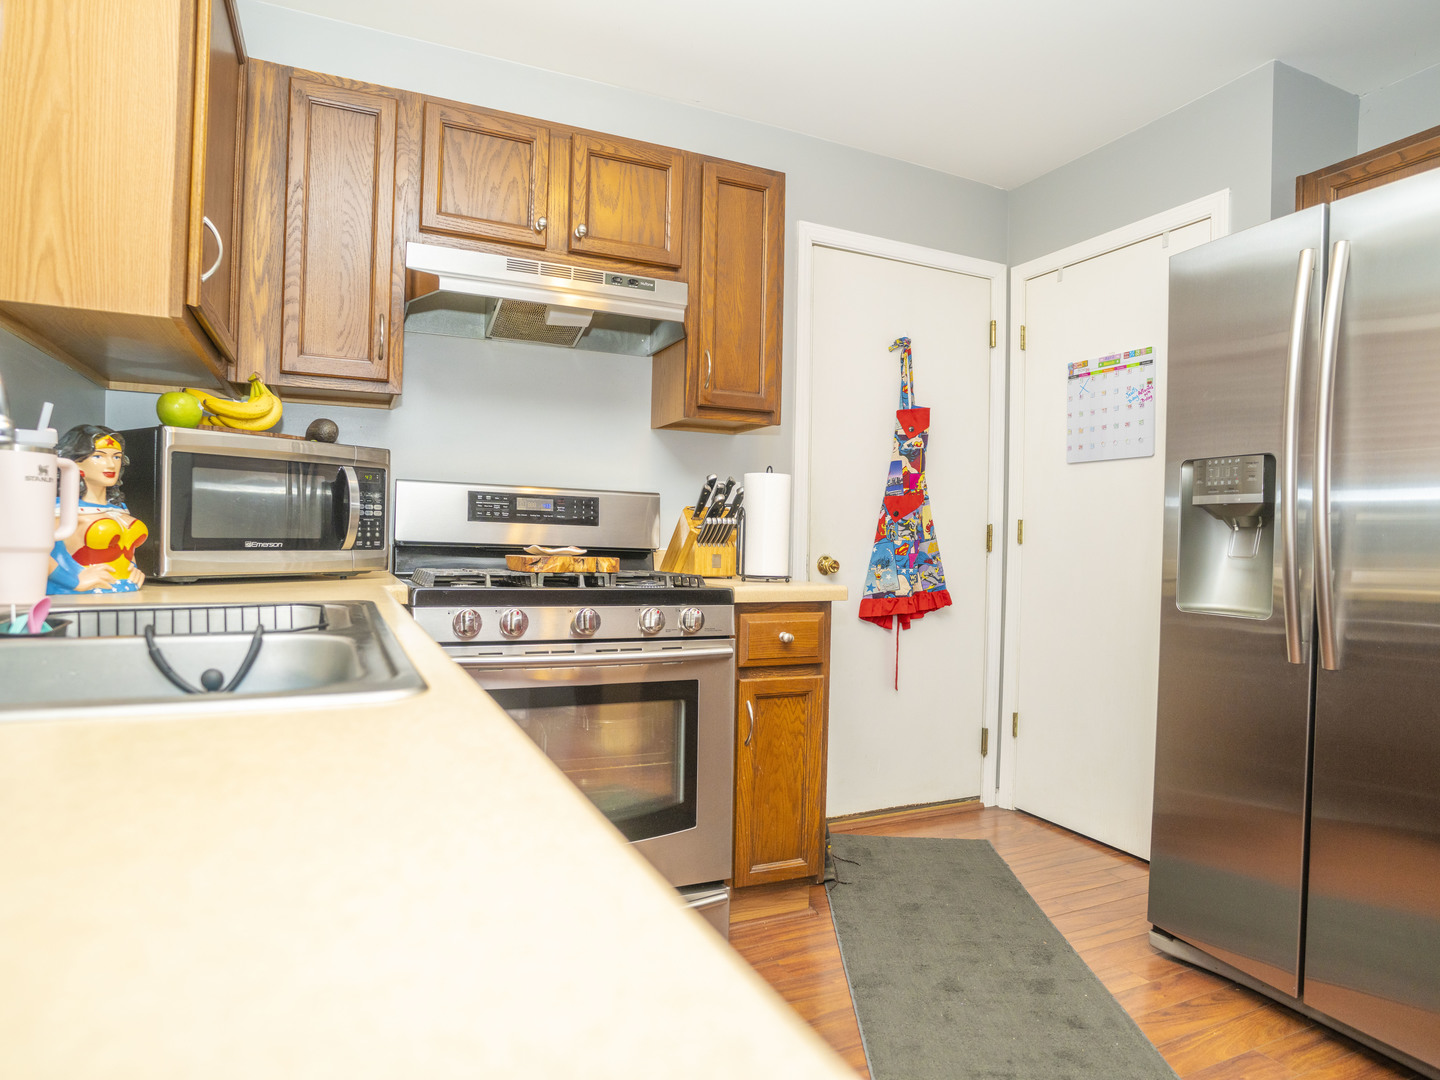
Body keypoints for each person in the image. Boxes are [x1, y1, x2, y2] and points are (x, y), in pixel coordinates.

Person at [47, 425, 147, 594]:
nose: (111, 464)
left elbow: (126, 547)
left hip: (124, 592)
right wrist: (75, 581)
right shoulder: (62, 508)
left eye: (116, 457)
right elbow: (37, 554)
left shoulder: (119, 508)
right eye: (98, 456)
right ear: (74, 462)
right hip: (78, 597)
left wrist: (133, 569)